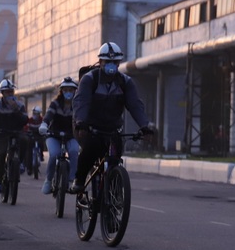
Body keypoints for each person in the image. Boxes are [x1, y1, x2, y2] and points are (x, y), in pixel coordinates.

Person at [69, 42, 155, 193]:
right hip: (87, 127)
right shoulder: (89, 79)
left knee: (115, 156)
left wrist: (144, 126)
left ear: (118, 63)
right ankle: (80, 179)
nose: (111, 65)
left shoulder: (125, 82)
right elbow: (81, 102)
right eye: (107, 62)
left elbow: (135, 105)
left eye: (114, 62)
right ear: (100, 62)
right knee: (90, 149)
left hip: (112, 128)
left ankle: (112, 191)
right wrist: (80, 123)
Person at [39, 77, 80, 195]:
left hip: (71, 135)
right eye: (65, 90)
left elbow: (82, 117)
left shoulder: (77, 104)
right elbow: (48, 115)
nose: (68, 93)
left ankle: (73, 180)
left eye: (71, 90)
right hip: (54, 135)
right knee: (54, 154)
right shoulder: (55, 103)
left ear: (75, 91)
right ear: (61, 91)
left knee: (73, 152)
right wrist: (44, 124)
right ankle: (48, 180)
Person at [0, 79, 28, 195]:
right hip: (1, 134)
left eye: (12, 92)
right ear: (3, 93)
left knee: (25, 140)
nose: (10, 95)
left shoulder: (20, 105)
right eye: (7, 92)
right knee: (1, 154)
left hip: (16, 132)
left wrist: (15, 109)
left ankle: (20, 163)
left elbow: (25, 120)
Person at [22, 106, 45, 171]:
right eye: (34, 113)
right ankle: (29, 167)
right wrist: (26, 131)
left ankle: (41, 155)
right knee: (29, 149)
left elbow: (45, 127)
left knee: (41, 143)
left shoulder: (42, 120)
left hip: (39, 136)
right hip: (31, 136)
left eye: (37, 113)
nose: (35, 115)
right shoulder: (30, 120)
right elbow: (26, 127)